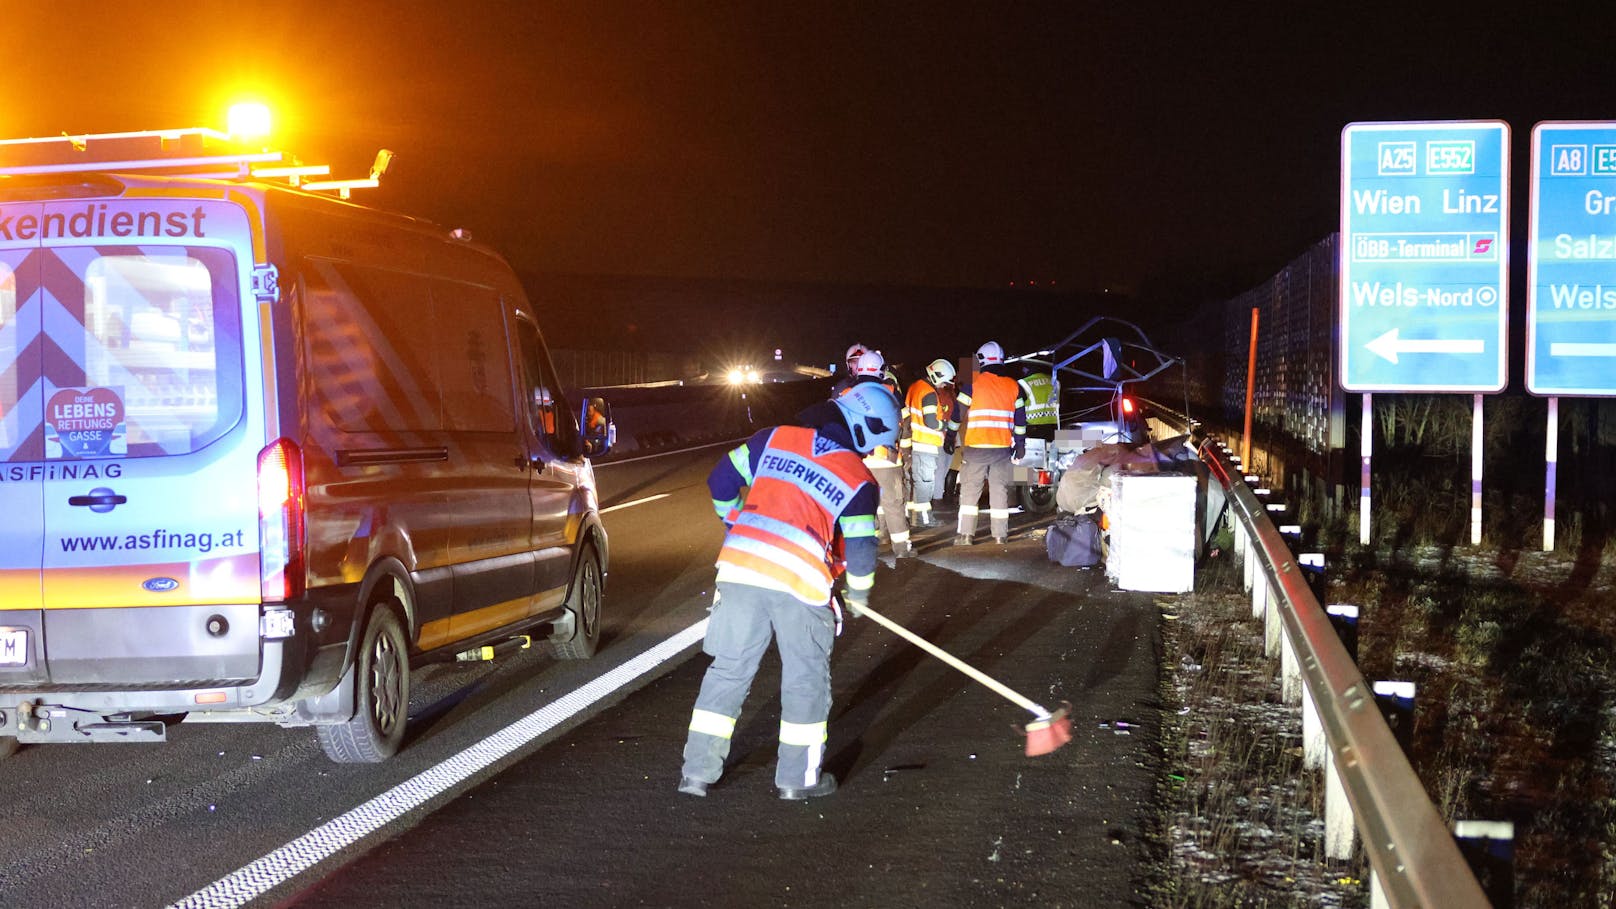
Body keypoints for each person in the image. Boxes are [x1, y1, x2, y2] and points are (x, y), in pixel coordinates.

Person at [678, 382, 899, 801]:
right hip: (801, 582)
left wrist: (736, 524)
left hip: (740, 568)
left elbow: (720, 481)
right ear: (866, 428)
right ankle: (798, 780)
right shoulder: (858, 478)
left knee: (727, 671)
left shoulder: (773, 438)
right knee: (805, 680)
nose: (872, 454)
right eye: (876, 444)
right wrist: (860, 593)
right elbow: (861, 546)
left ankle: (696, 774)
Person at [948, 341, 1027, 546]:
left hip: (976, 448)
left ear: (981, 360)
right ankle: (1000, 536)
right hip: (1002, 449)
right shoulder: (1013, 386)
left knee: (970, 490)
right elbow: (1020, 421)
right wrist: (1020, 445)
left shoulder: (972, 384)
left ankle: (966, 535)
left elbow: (958, 413)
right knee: (999, 490)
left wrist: (950, 436)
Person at [835, 351, 911, 557]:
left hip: (858, 461)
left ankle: (862, 549)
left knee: (861, 505)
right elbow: (904, 425)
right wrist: (905, 452)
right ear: (881, 370)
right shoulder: (890, 391)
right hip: (887, 459)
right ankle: (902, 549)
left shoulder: (846, 394)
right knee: (893, 504)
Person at [901, 357, 954, 528]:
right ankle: (925, 519)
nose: (943, 386)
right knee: (925, 484)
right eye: (943, 382)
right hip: (926, 445)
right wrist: (945, 424)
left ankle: (911, 517)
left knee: (915, 483)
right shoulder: (929, 394)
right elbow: (931, 422)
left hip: (913, 443)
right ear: (936, 376)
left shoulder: (914, 387)